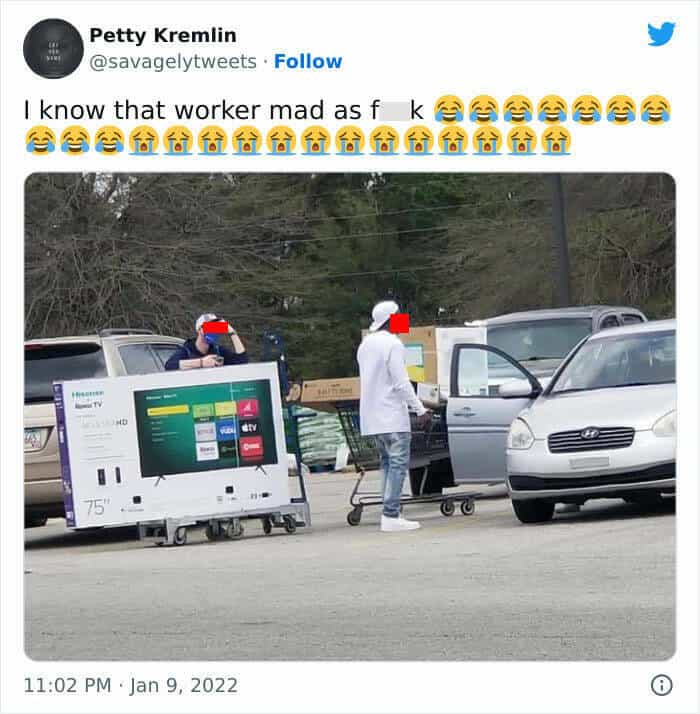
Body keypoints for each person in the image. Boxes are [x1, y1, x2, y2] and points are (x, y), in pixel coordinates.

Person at [357, 300, 431, 532]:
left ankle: (389, 511)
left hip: (372, 417)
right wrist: (420, 409)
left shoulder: (365, 345)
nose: (403, 319)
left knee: (387, 463)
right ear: (390, 319)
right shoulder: (393, 344)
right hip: (392, 414)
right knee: (398, 464)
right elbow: (401, 383)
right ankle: (391, 514)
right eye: (399, 316)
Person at [164, 313, 249, 371]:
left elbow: (242, 361)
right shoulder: (187, 350)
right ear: (199, 330)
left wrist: (232, 332)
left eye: (216, 327)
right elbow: (170, 365)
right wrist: (201, 362)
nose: (213, 331)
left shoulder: (218, 351)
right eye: (209, 327)